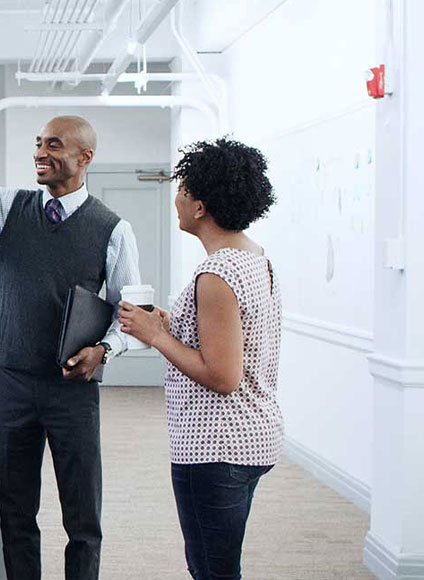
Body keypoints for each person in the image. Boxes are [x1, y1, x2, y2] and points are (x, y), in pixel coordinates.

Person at [0, 81, 140, 580]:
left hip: (72, 390)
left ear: (85, 157)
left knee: (82, 517)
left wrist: (104, 352)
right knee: (15, 511)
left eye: (54, 145)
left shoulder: (113, 228)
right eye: (39, 144)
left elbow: (129, 310)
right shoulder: (9, 207)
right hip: (14, 384)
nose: (41, 153)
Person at [119, 137, 283, 580]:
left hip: (217, 445)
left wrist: (156, 336)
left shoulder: (216, 273)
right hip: (252, 436)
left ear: (200, 207)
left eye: (183, 189)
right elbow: (232, 340)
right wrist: (174, 325)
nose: (176, 198)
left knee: (212, 569)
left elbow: (223, 375)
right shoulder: (253, 258)